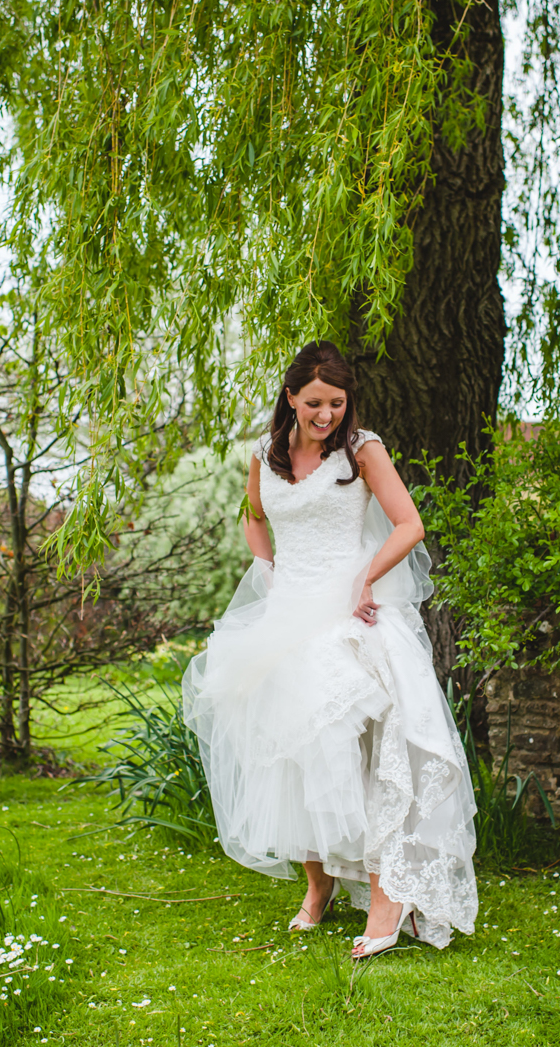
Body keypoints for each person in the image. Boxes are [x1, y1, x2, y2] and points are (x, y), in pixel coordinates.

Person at [182, 341, 478, 959]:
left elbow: (409, 524)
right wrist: (266, 567)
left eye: (336, 403)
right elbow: (253, 516)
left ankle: (385, 899)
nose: (326, 415)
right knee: (294, 752)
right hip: (288, 610)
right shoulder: (267, 456)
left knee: (366, 750)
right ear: (290, 397)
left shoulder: (363, 449)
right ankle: (316, 890)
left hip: (350, 611)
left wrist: (366, 578)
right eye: (314, 403)